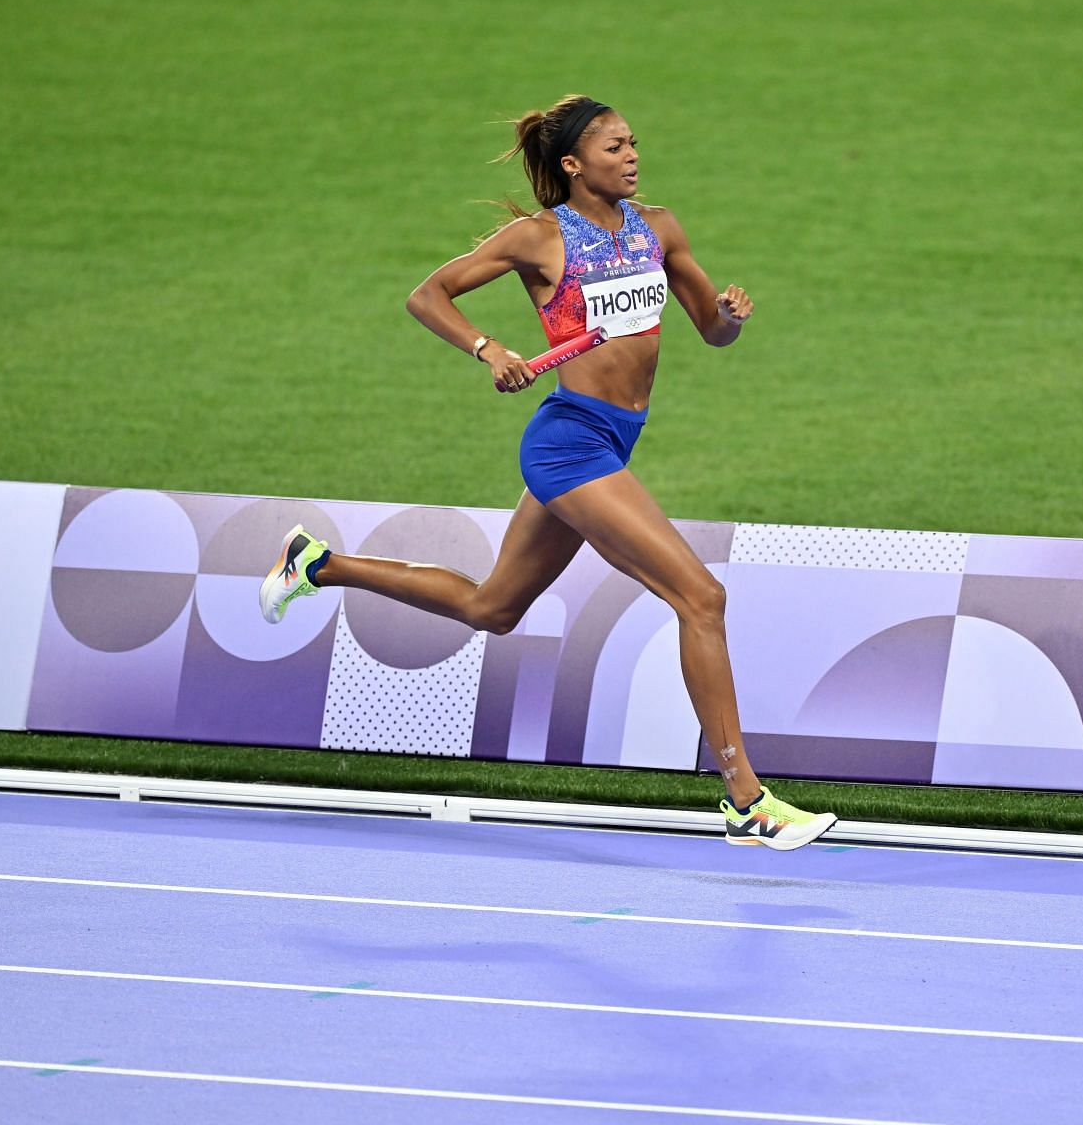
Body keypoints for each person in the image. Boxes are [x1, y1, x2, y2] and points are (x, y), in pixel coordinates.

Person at [259, 94, 835, 851]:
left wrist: (729, 315)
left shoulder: (659, 228)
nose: (633, 157)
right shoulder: (537, 240)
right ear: (573, 164)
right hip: (570, 445)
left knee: (493, 609)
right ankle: (745, 800)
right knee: (701, 597)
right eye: (616, 148)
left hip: (614, 440)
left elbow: (711, 333)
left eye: (635, 145)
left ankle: (319, 564)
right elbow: (426, 294)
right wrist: (488, 349)